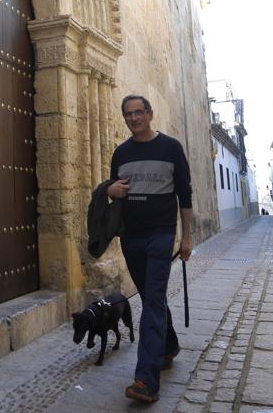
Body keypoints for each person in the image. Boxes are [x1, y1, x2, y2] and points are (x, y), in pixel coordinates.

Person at [106, 95, 193, 404]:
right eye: (128, 114)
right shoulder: (121, 153)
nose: (134, 118)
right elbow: (114, 189)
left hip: (160, 235)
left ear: (150, 114)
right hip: (131, 237)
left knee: (152, 301)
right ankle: (168, 346)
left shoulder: (170, 148)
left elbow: (185, 194)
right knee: (149, 295)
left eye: (139, 112)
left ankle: (146, 379)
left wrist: (186, 237)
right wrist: (110, 189)